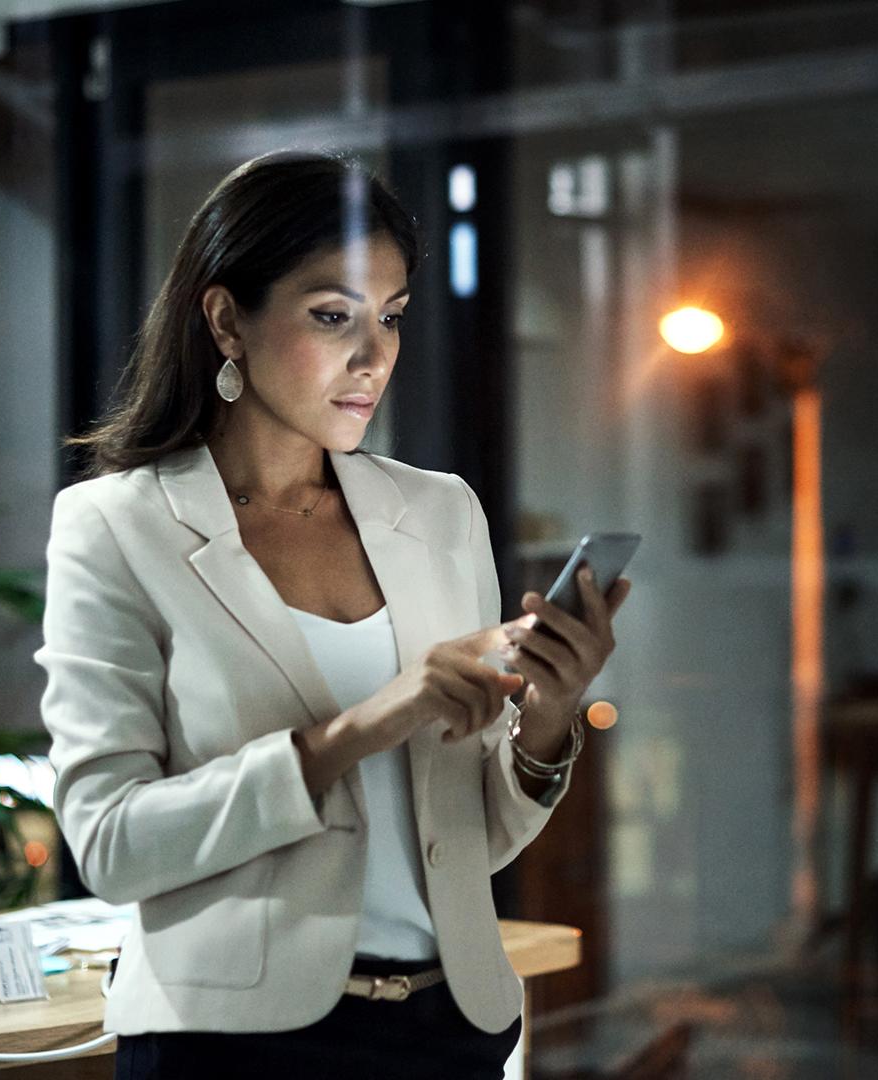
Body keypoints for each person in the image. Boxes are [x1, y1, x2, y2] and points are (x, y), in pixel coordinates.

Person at [34, 150, 632, 1079]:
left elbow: (468, 832)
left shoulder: (440, 515)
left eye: (391, 317)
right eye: (332, 316)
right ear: (227, 317)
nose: (375, 356)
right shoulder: (116, 527)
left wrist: (547, 717)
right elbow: (111, 843)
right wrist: (367, 723)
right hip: (233, 1048)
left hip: (447, 1030)